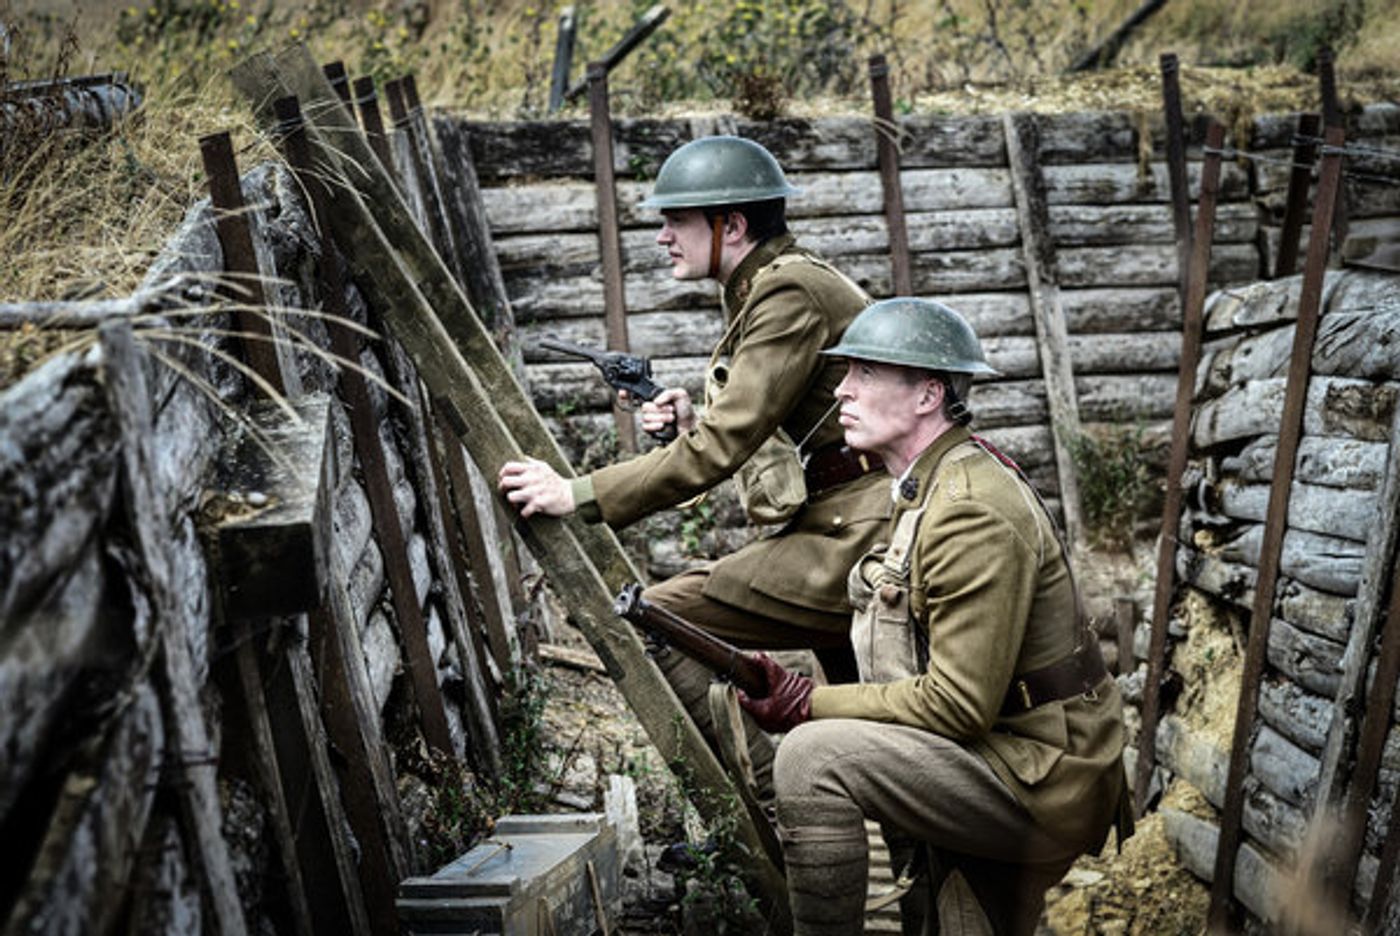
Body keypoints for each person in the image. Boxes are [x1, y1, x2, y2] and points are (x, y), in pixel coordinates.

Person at [498, 135, 890, 792]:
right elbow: (770, 424)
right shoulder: (769, 284)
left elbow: (722, 448)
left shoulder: (785, 292)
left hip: (859, 532)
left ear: (730, 225)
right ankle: (849, 837)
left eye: (675, 220)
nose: (661, 237)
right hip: (841, 518)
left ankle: (777, 801)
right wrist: (690, 420)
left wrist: (578, 492)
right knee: (871, 738)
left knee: (657, 615)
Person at [738, 298, 1130, 936]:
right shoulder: (928, 484)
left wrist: (811, 704)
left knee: (812, 758)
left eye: (865, 372)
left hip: (1042, 773)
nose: (842, 391)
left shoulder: (968, 507)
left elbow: (957, 705)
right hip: (1006, 750)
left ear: (928, 394)